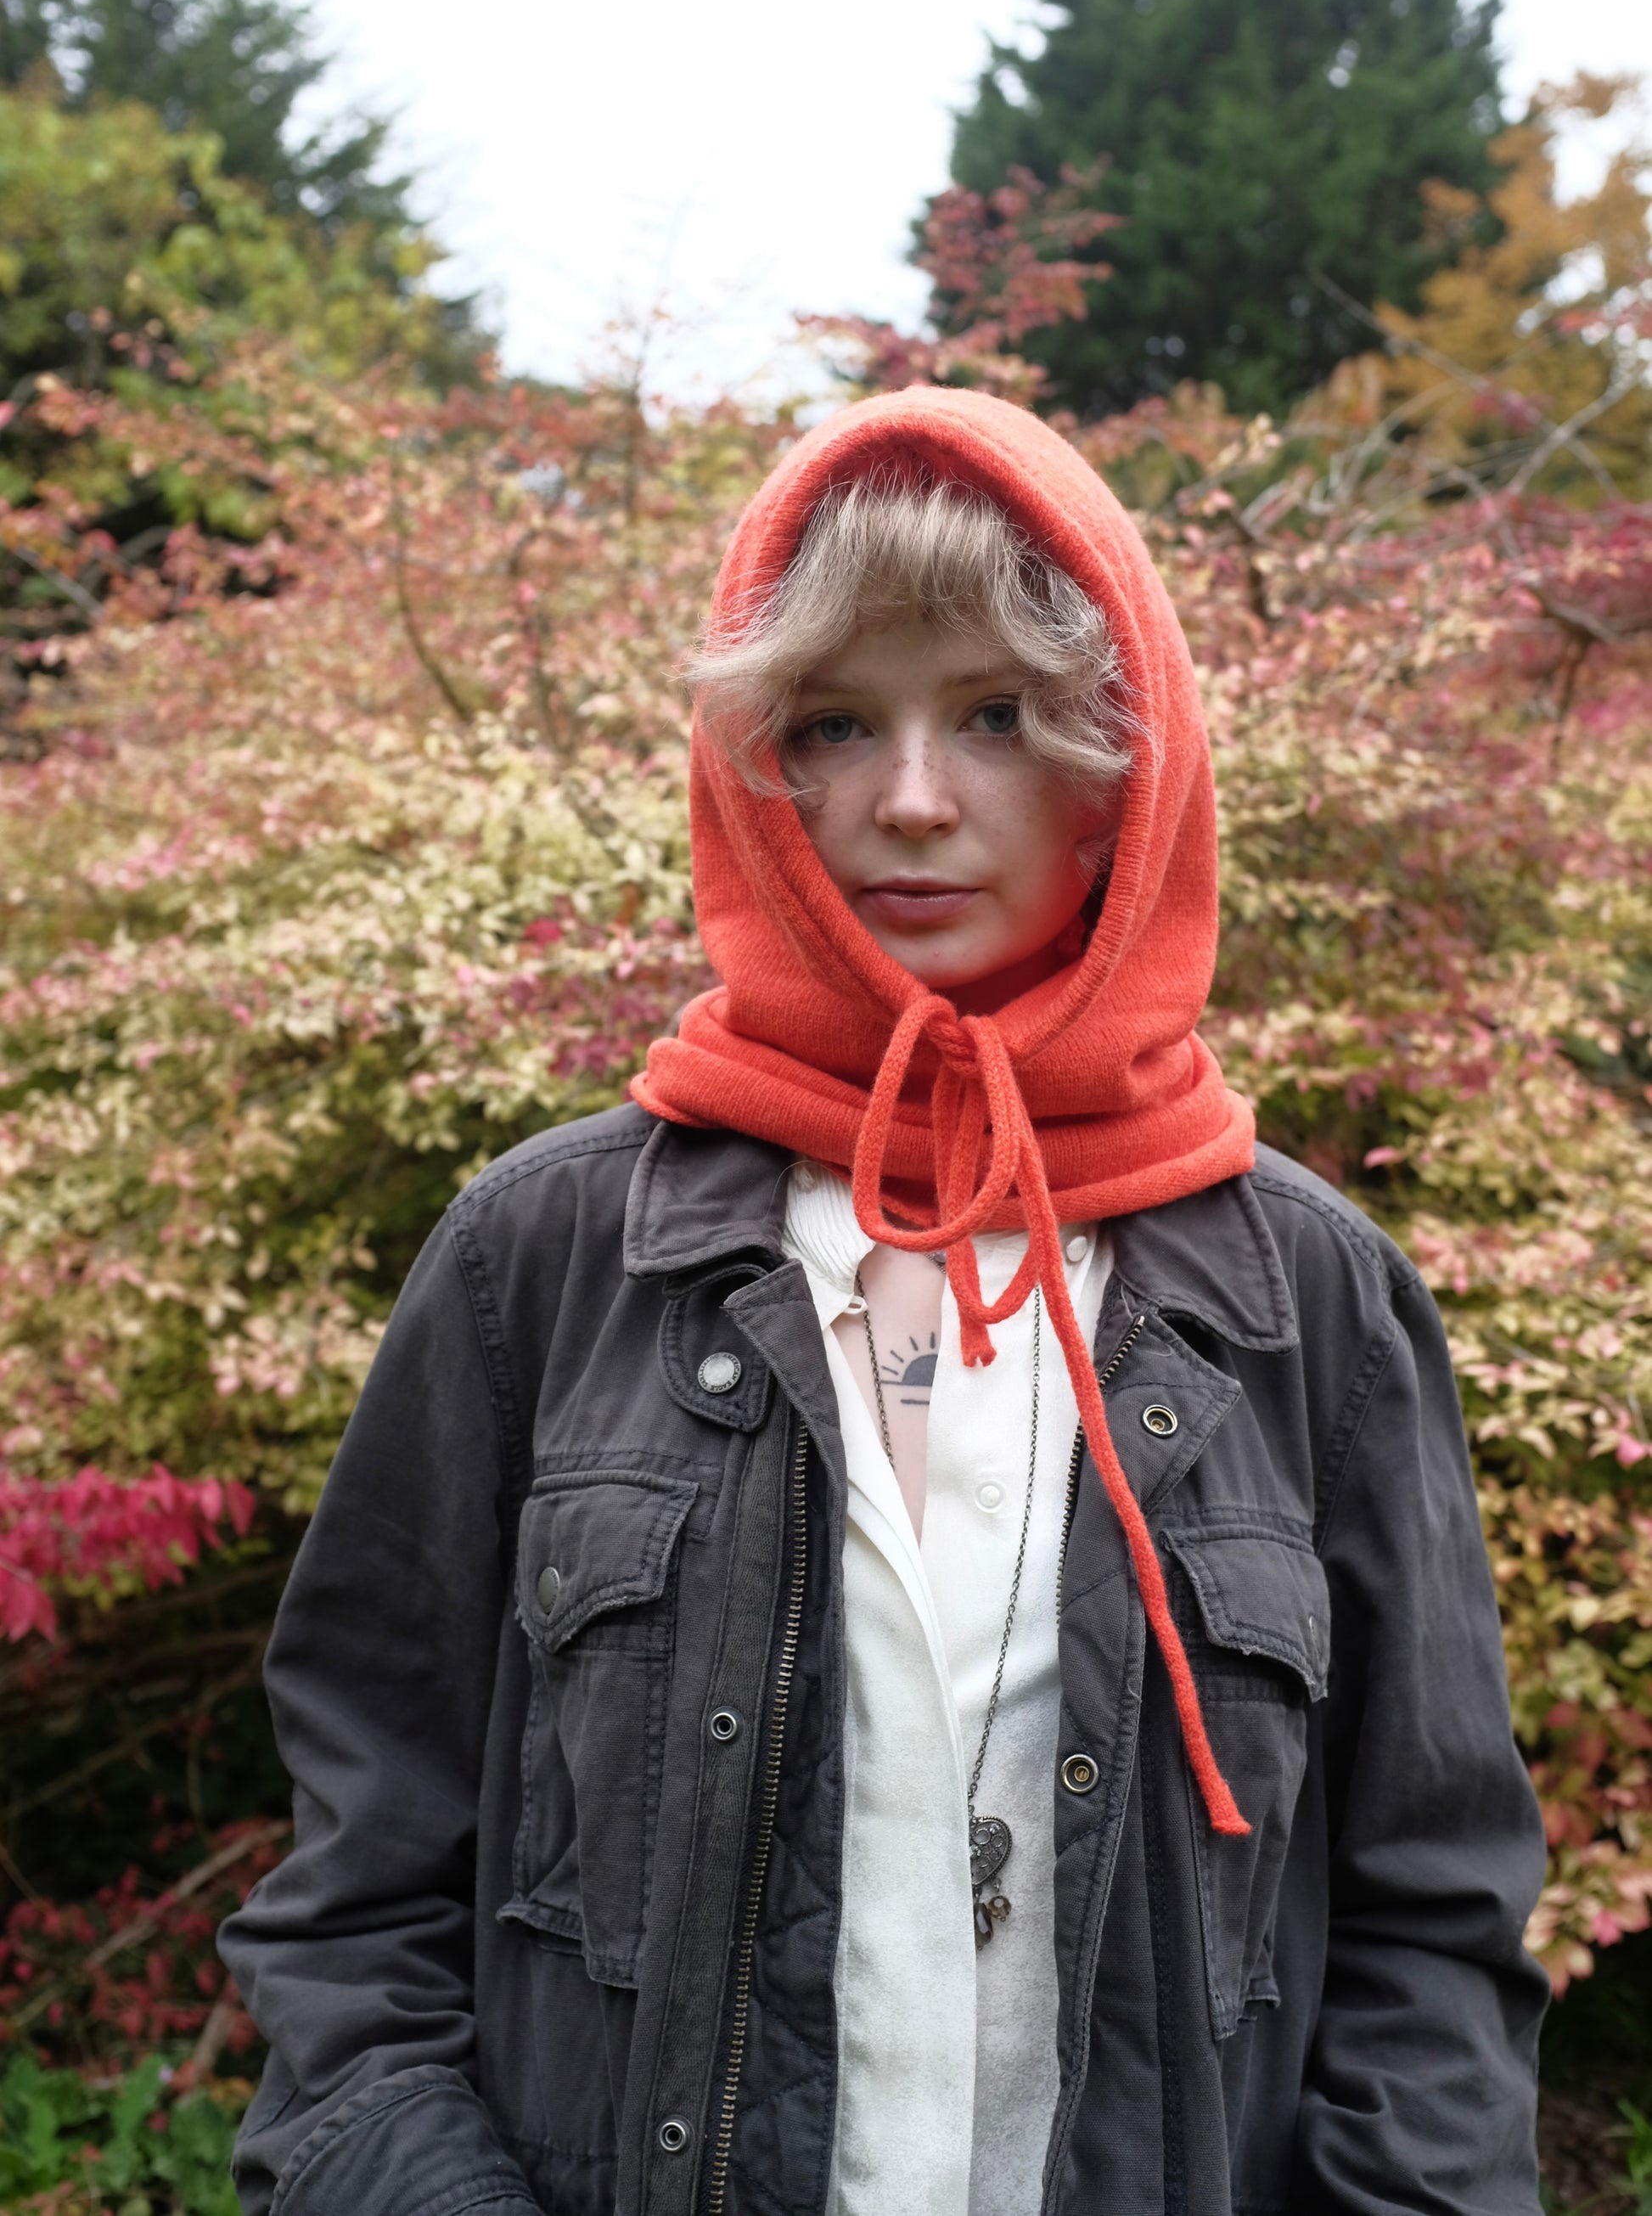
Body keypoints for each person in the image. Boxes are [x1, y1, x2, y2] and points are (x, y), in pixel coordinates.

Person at [220, 388, 1548, 2216]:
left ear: (1115, 760)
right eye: (837, 722)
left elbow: (1436, 1930)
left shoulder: (1305, 1298)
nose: (909, 799)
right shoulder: (543, 1259)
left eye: (993, 717)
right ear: (756, 767)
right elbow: (358, 1904)